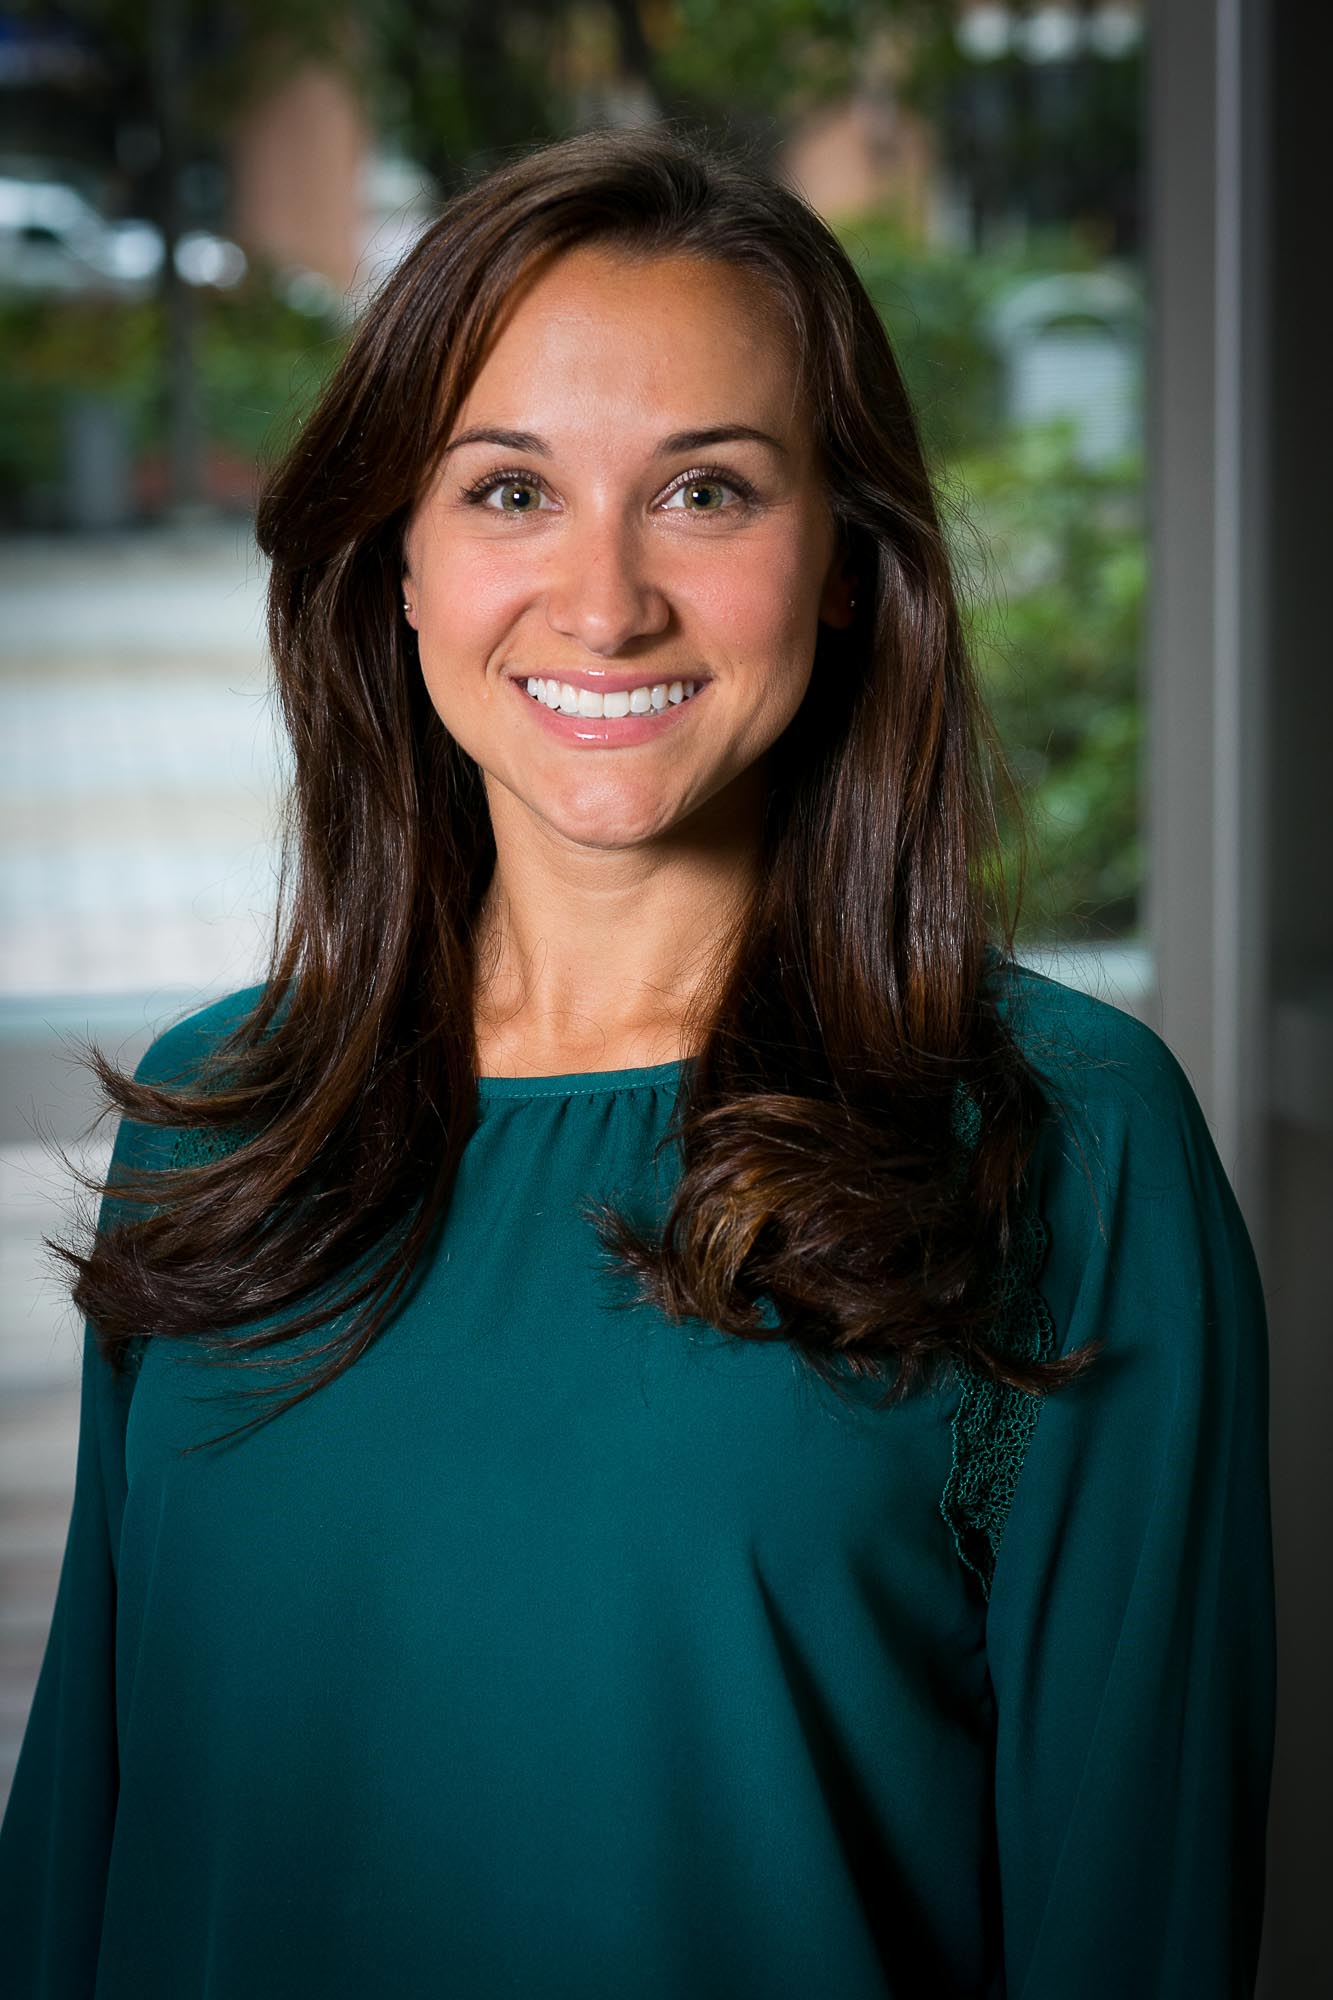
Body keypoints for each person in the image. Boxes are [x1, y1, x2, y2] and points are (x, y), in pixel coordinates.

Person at [0, 127, 1273, 1999]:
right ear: (399, 570)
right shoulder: (223, 1126)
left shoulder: (1059, 1142)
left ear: (845, 564)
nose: (603, 604)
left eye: (706, 492)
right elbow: (74, 1877)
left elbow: (1130, 1919)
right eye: (509, 492)